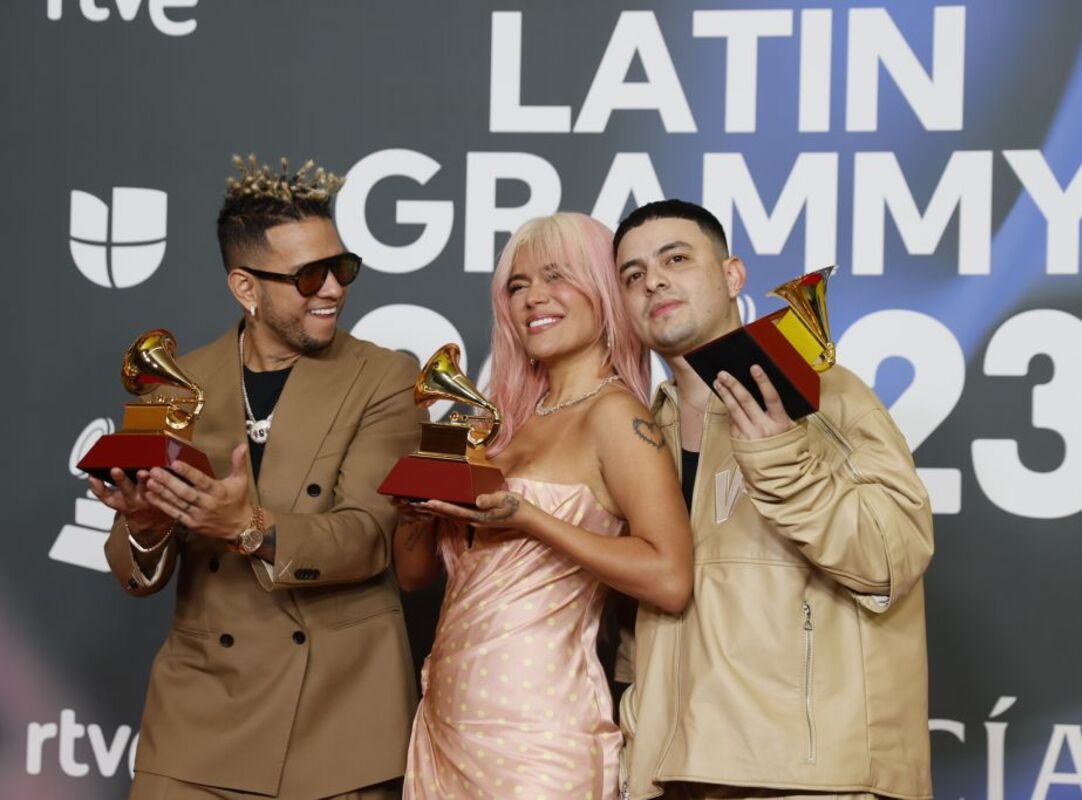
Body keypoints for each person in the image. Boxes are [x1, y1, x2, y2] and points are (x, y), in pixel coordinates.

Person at [91, 156, 425, 800]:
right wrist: (146, 524)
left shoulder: (385, 377)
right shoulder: (176, 383)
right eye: (307, 276)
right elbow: (132, 571)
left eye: (342, 268)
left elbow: (367, 537)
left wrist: (248, 526)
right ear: (246, 288)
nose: (332, 288)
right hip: (197, 719)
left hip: (336, 720)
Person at [613, 200, 935, 800]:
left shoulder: (825, 392)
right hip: (673, 773)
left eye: (675, 258)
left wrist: (783, 458)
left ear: (733, 276)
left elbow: (893, 559)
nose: (653, 280)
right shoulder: (640, 429)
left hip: (808, 776)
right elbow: (651, 618)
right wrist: (637, 731)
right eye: (632, 275)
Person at [392, 212, 693, 800]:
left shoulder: (618, 416)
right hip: (443, 724)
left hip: (540, 739)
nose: (533, 299)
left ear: (602, 289)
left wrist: (531, 520)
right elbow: (414, 575)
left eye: (556, 277)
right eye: (517, 285)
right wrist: (416, 512)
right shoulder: (504, 425)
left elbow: (670, 577)